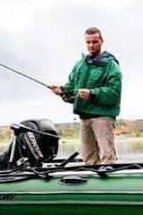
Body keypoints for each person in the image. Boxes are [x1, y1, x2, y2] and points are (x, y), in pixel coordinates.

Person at [50, 27, 122, 165]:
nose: (91, 45)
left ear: (101, 41)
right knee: (88, 157)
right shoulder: (80, 65)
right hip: (85, 117)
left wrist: (92, 93)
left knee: (107, 157)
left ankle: (110, 182)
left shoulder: (111, 66)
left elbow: (114, 93)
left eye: (94, 42)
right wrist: (62, 90)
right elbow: (72, 87)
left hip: (103, 117)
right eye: (88, 42)